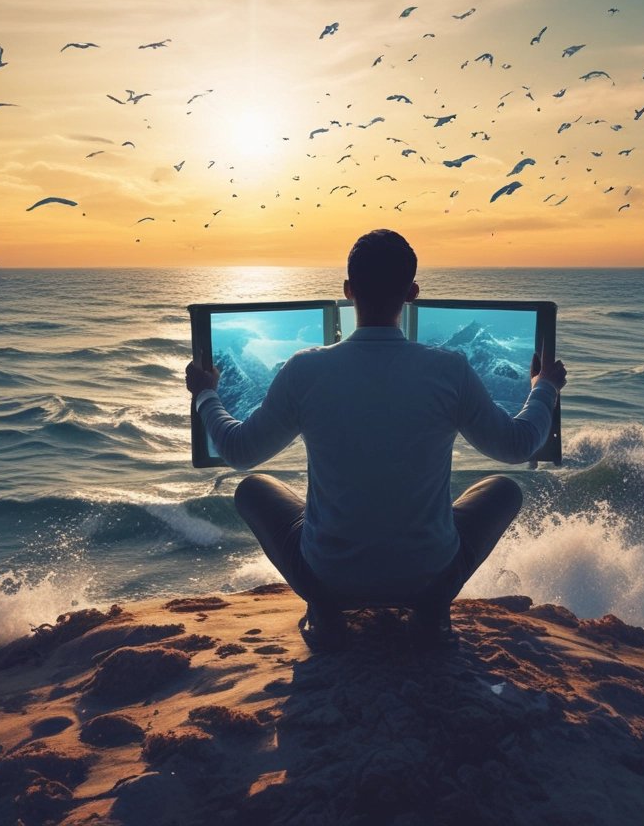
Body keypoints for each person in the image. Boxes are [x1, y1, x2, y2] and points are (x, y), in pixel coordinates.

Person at [185, 229, 566, 649]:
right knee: (504, 490)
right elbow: (517, 446)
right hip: (429, 577)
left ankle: (325, 610)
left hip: (328, 578)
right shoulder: (449, 370)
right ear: (412, 293)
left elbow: (238, 450)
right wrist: (544, 387)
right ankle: (430, 611)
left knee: (252, 488)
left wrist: (205, 393)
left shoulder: (304, 370)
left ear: (348, 290)